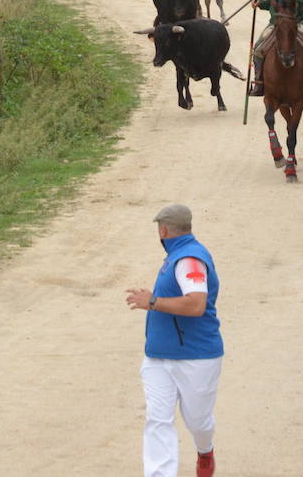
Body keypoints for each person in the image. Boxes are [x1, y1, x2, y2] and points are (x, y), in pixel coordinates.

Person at [125, 204, 222, 477]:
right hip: (158, 356)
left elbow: (196, 305)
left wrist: (152, 301)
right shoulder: (177, 256)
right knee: (157, 419)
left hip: (197, 357)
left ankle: (205, 451)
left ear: (163, 230)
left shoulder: (189, 260)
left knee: (198, 422)